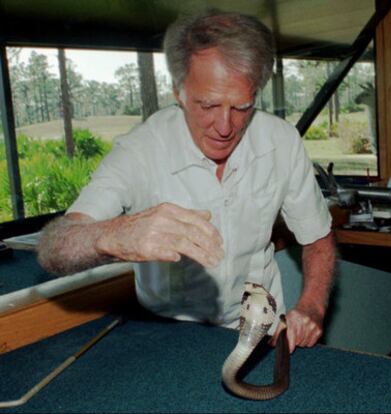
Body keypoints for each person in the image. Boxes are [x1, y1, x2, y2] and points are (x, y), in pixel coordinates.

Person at [37, 10, 335, 353]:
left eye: (241, 106)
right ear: (178, 92)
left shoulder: (281, 141)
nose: (225, 126)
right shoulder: (141, 151)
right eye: (208, 105)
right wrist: (116, 234)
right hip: (169, 341)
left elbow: (318, 237)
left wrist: (313, 305)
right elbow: (53, 247)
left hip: (262, 331)